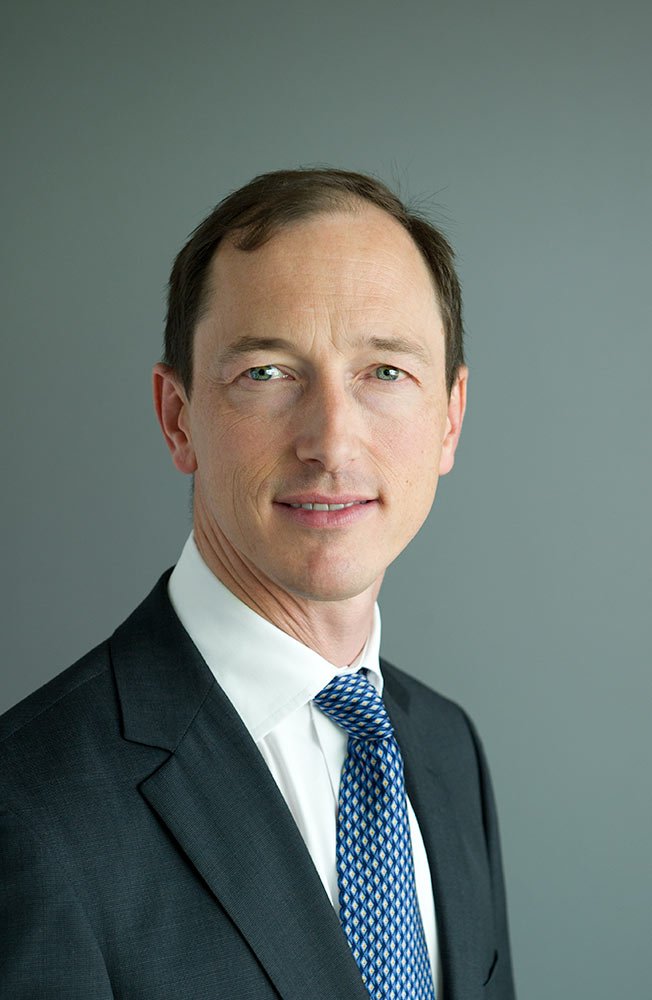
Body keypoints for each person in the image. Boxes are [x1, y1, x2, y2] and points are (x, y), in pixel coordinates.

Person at [0, 168, 516, 999]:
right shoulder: (29, 810)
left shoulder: (449, 751)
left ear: (450, 418)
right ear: (179, 417)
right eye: (268, 373)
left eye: (385, 372)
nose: (331, 442)